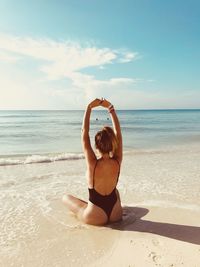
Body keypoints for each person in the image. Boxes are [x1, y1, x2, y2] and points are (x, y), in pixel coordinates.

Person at [62, 98, 123, 225]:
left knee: (66, 198)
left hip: (96, 215)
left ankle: (87, 209)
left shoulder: (93, 163)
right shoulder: (117, 160)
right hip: (116, 213)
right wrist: (110, 109)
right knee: (115, 191)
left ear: (96, 146)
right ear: (113, 144)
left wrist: (89, 107)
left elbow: (84, 132)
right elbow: (118, 133)